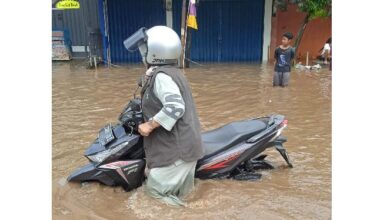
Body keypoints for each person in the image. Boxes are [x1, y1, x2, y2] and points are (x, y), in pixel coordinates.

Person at [123, 26, 205, 206]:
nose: (141, 54)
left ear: (155, 52)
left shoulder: (162, 77)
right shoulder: (169, 72)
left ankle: (189, 215)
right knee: (184, 195)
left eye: (144, 50)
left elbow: (175, 107)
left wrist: (149, 125)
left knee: (154, 194)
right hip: (187, 144)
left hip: (177, 150)